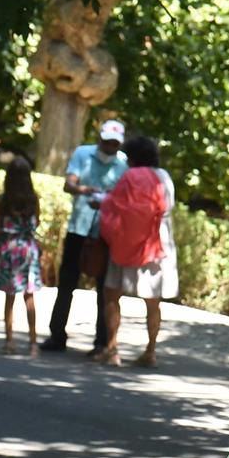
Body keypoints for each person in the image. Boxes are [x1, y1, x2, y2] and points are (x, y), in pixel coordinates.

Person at [42, 118, 131, 353]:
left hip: (106, 234)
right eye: (107, 142)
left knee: (104, 289)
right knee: (67, 283)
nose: (110, 147)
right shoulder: (83, 154)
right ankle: (57, 335)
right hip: (79, 228)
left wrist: (109, 199)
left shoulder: (123, 164)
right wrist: (85, 190)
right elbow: (69, 183)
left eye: (115, 144)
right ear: (100, 138)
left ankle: (102, 342)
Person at [95, 136, 177, 368]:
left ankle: (112, 349)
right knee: (153, 302)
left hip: (126, 241)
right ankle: (150, 351)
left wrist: (100, 204)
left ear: (132, 158)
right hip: (158, 242)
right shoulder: (165, 178)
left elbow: (114, 203)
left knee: (112, 294)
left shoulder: (130, 176)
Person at [0, 155, 44, 356]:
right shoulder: (33, 199)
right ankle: (33, 343)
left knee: (9, 297)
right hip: (28, 249)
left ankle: (10, 340)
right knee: (29, 297)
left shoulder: (2, 201)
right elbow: (36, 222)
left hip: (9, 249)